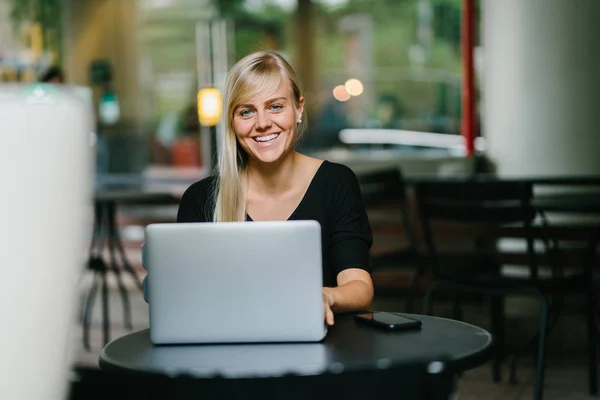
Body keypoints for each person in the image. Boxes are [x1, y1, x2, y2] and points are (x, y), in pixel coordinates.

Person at [160, 50, 374, 326]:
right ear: (232, 122)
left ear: (298, 109)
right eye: (246, 111)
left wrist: (326, 297)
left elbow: (359, 286)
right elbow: (187, 299)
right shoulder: (200, 199)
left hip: (322, 348)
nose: (262, 123)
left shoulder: (336, 183)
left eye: (275, 106)